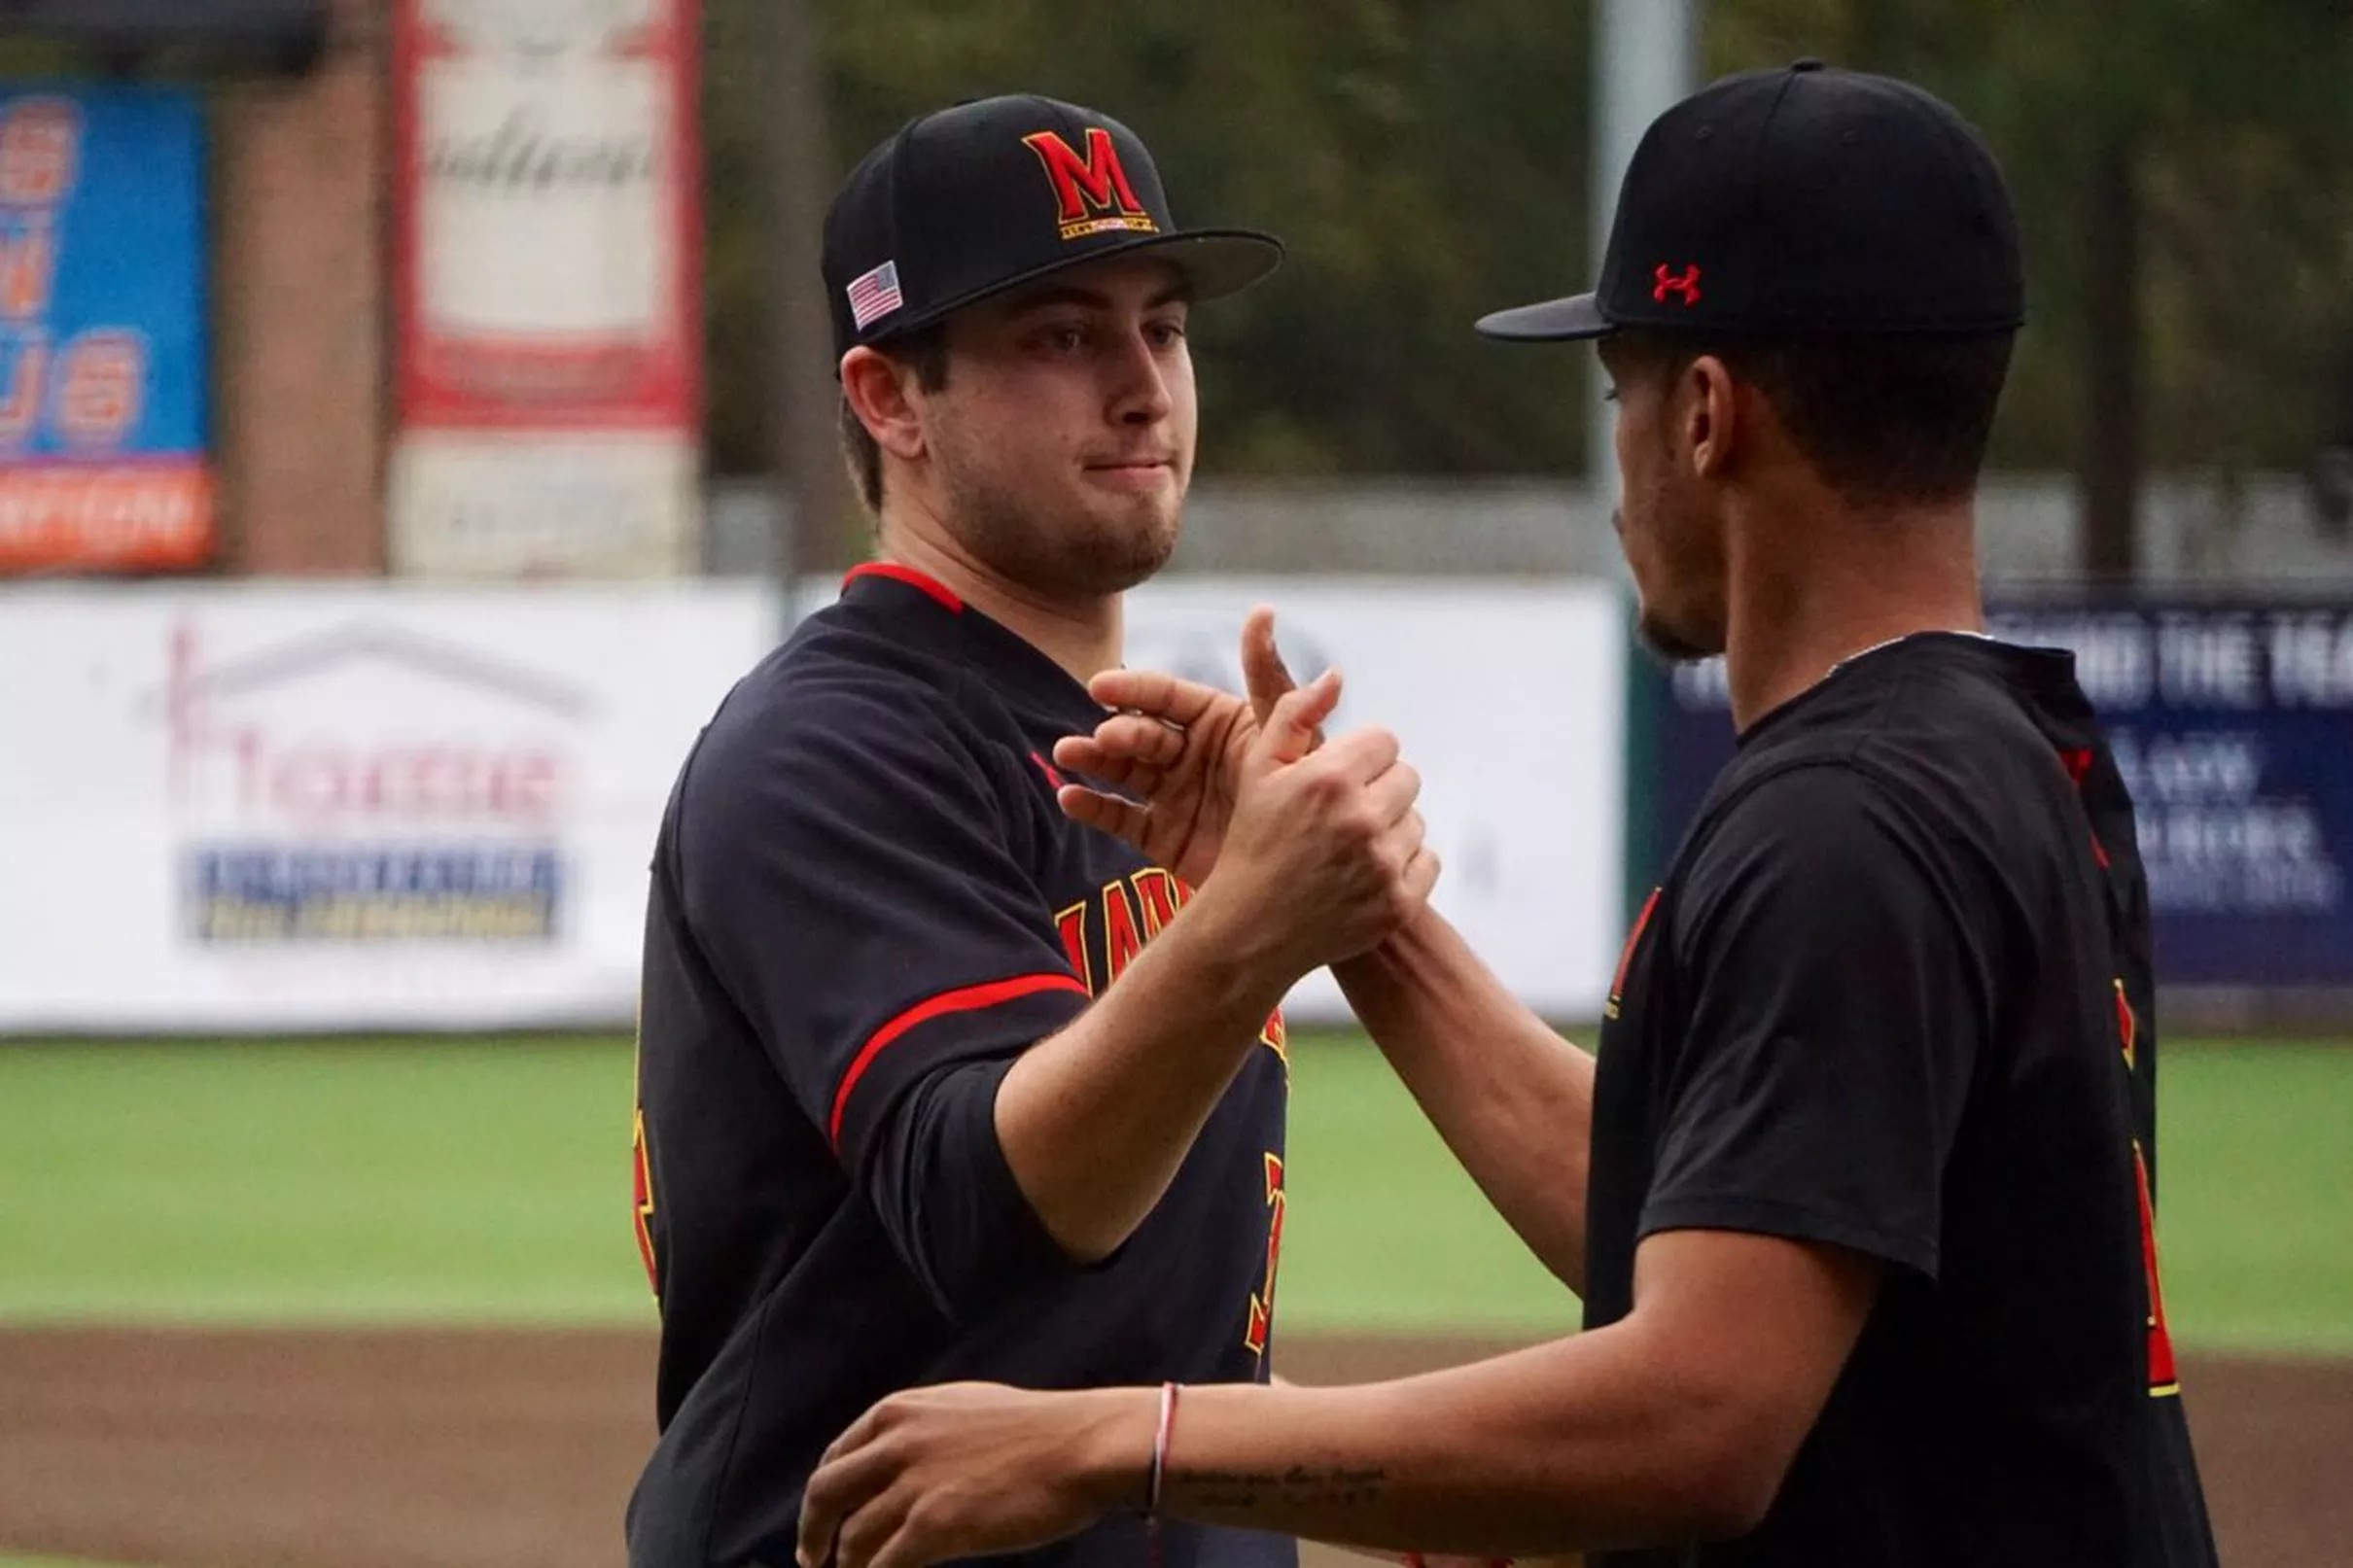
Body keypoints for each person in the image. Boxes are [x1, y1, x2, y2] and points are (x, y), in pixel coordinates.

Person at [792, 62, 2223, 1568]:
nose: (1618, 453)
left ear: (1707, 417)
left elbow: (1693, 1420)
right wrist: (1346, 906)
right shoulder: (2000, 755)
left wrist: (1116, 1438)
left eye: (1623, 390)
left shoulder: (1842, 831)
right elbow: (1691, 1215)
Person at [625, 93, 1438, 1568]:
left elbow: (1136, 1325)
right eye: (1062, 334)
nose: (1141, 386)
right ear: (888, 398)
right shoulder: (833, 745)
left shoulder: (1140, 757)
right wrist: (1254, 925)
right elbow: (998, 1204)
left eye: (1165, 325)